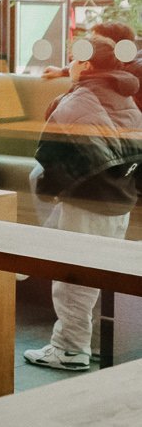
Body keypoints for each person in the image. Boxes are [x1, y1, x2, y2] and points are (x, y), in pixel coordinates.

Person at [25, 21, 142, 370]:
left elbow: (52, 156)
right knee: (91, 274)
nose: (69, 66)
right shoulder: (121, 94)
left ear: (87, 66)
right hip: (119, 198)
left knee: (73, 279)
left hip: (89, 198)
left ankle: (70, 350)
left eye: (74, 61)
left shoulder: (79, 100)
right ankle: (83, 343)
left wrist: (51, 192)